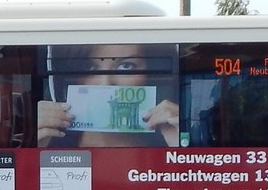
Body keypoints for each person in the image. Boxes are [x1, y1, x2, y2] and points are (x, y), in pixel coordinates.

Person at [38, 44, 180, 147]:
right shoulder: (50, 139)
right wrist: (32, 148)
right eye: (89, 68)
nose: (105, 83)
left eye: (126, 66)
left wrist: (182, 152)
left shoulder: (170, 136)